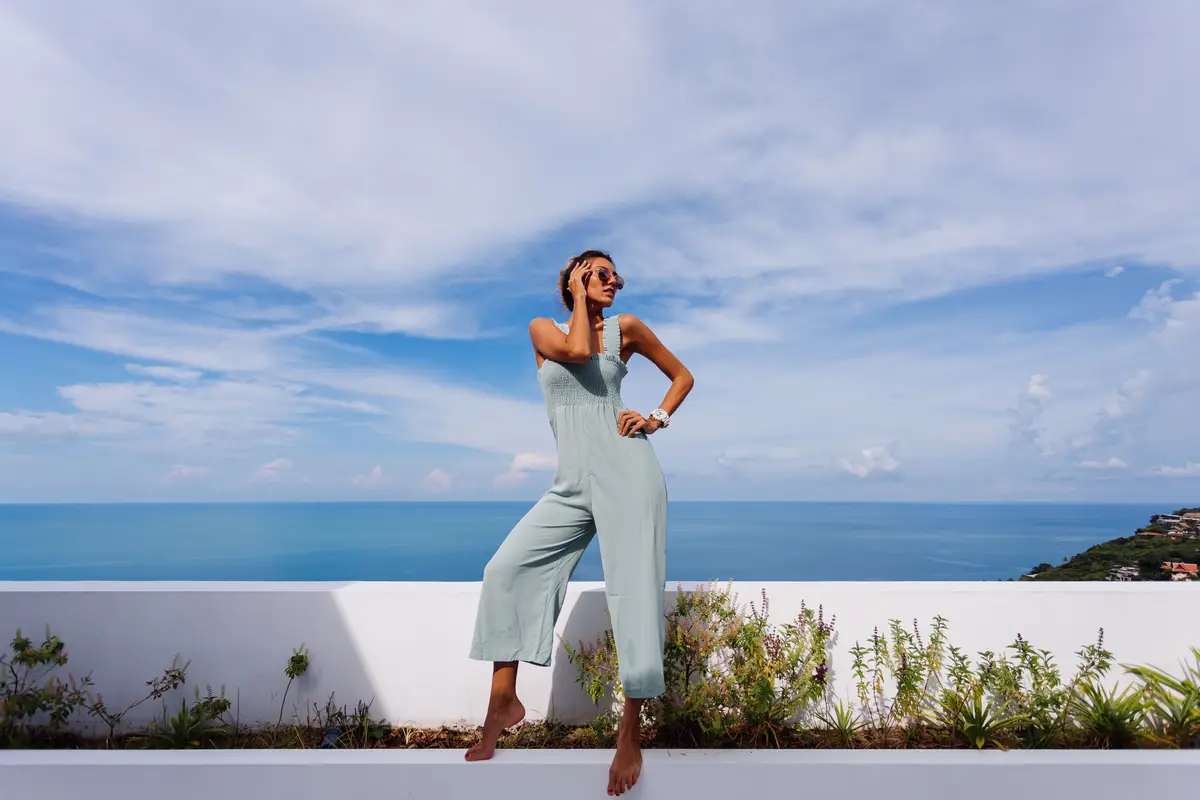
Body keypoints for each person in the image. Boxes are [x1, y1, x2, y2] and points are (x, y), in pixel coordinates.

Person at [465, 249, 694, 795]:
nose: (614, 280)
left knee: (635, 592)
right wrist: (577, 300)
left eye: (617, 274)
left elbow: (682, 376)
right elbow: (573, 348)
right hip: (569, 483)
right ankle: (503, 700)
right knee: (505, 571)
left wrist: (656, 418)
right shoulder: (544, 329)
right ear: (574, 279)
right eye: (601, 273)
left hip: (628, 470)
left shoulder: (628, 329)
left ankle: (629, 733)